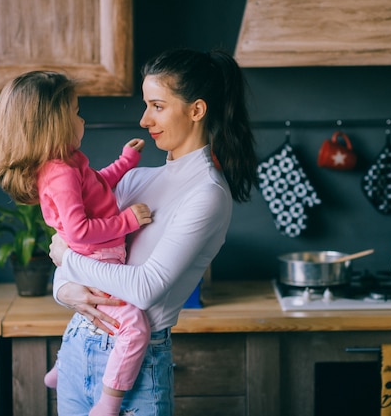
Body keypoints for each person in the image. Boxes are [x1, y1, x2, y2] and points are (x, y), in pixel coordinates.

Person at [48, 48, 258, 416]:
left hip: (135, 367)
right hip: (77, 346)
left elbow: (144, 288)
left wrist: (68, 259)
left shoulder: (207, 194)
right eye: (146, 106)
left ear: (196, 110)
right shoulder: (135, 179)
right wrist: (66, 291)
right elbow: (71, 261)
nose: (145, 120)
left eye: (157, 106)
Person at [0, 70, 153, 416]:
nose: (82, 119)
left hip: (95, 256)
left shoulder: (68, 164)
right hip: (98, 258)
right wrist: (128, 221)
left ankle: (61, 369)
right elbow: (78, 231)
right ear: (54, 124)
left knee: (85, 316)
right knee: (135, 327)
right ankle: (109, 403)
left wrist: (125, 162)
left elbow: (96, 189)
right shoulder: (59, 172)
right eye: (76, 112)